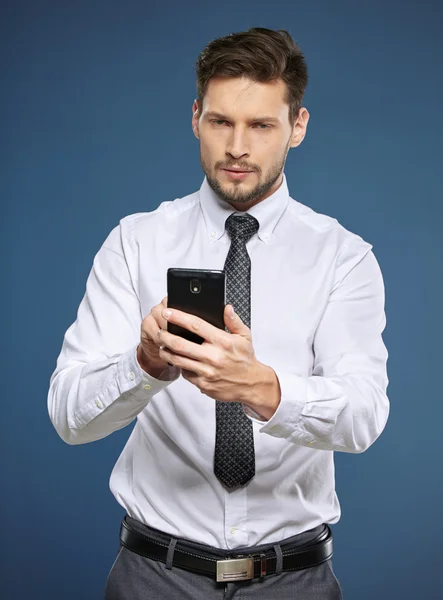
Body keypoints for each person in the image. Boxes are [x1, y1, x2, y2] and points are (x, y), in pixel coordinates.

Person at [47, 27, 389, 600]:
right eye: (220, 121)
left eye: (260, 125)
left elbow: (364, 417)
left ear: (297, 127)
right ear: (195, 117)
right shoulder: (136, 242)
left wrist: (265, 389)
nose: (237, 147)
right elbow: (69, 418)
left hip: (295, 580)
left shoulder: (343, 258)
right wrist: (143, 367)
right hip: (152, 577)